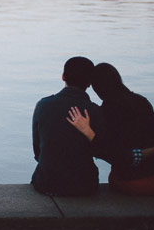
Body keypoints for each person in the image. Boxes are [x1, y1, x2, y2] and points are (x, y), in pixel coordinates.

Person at [67, 62, 154, 196]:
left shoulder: (105, 113)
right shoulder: (142, 101)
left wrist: (89, 134)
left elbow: (116, 156)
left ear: (96, 88)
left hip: (140, 183)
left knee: (115, 176)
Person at [31, 56, 105, 196]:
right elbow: (101, 150)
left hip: (47, 182)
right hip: (84, 185)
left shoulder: (43, 105)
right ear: (89, 83)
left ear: (63, 76)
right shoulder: (95, 111)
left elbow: (37, 150)